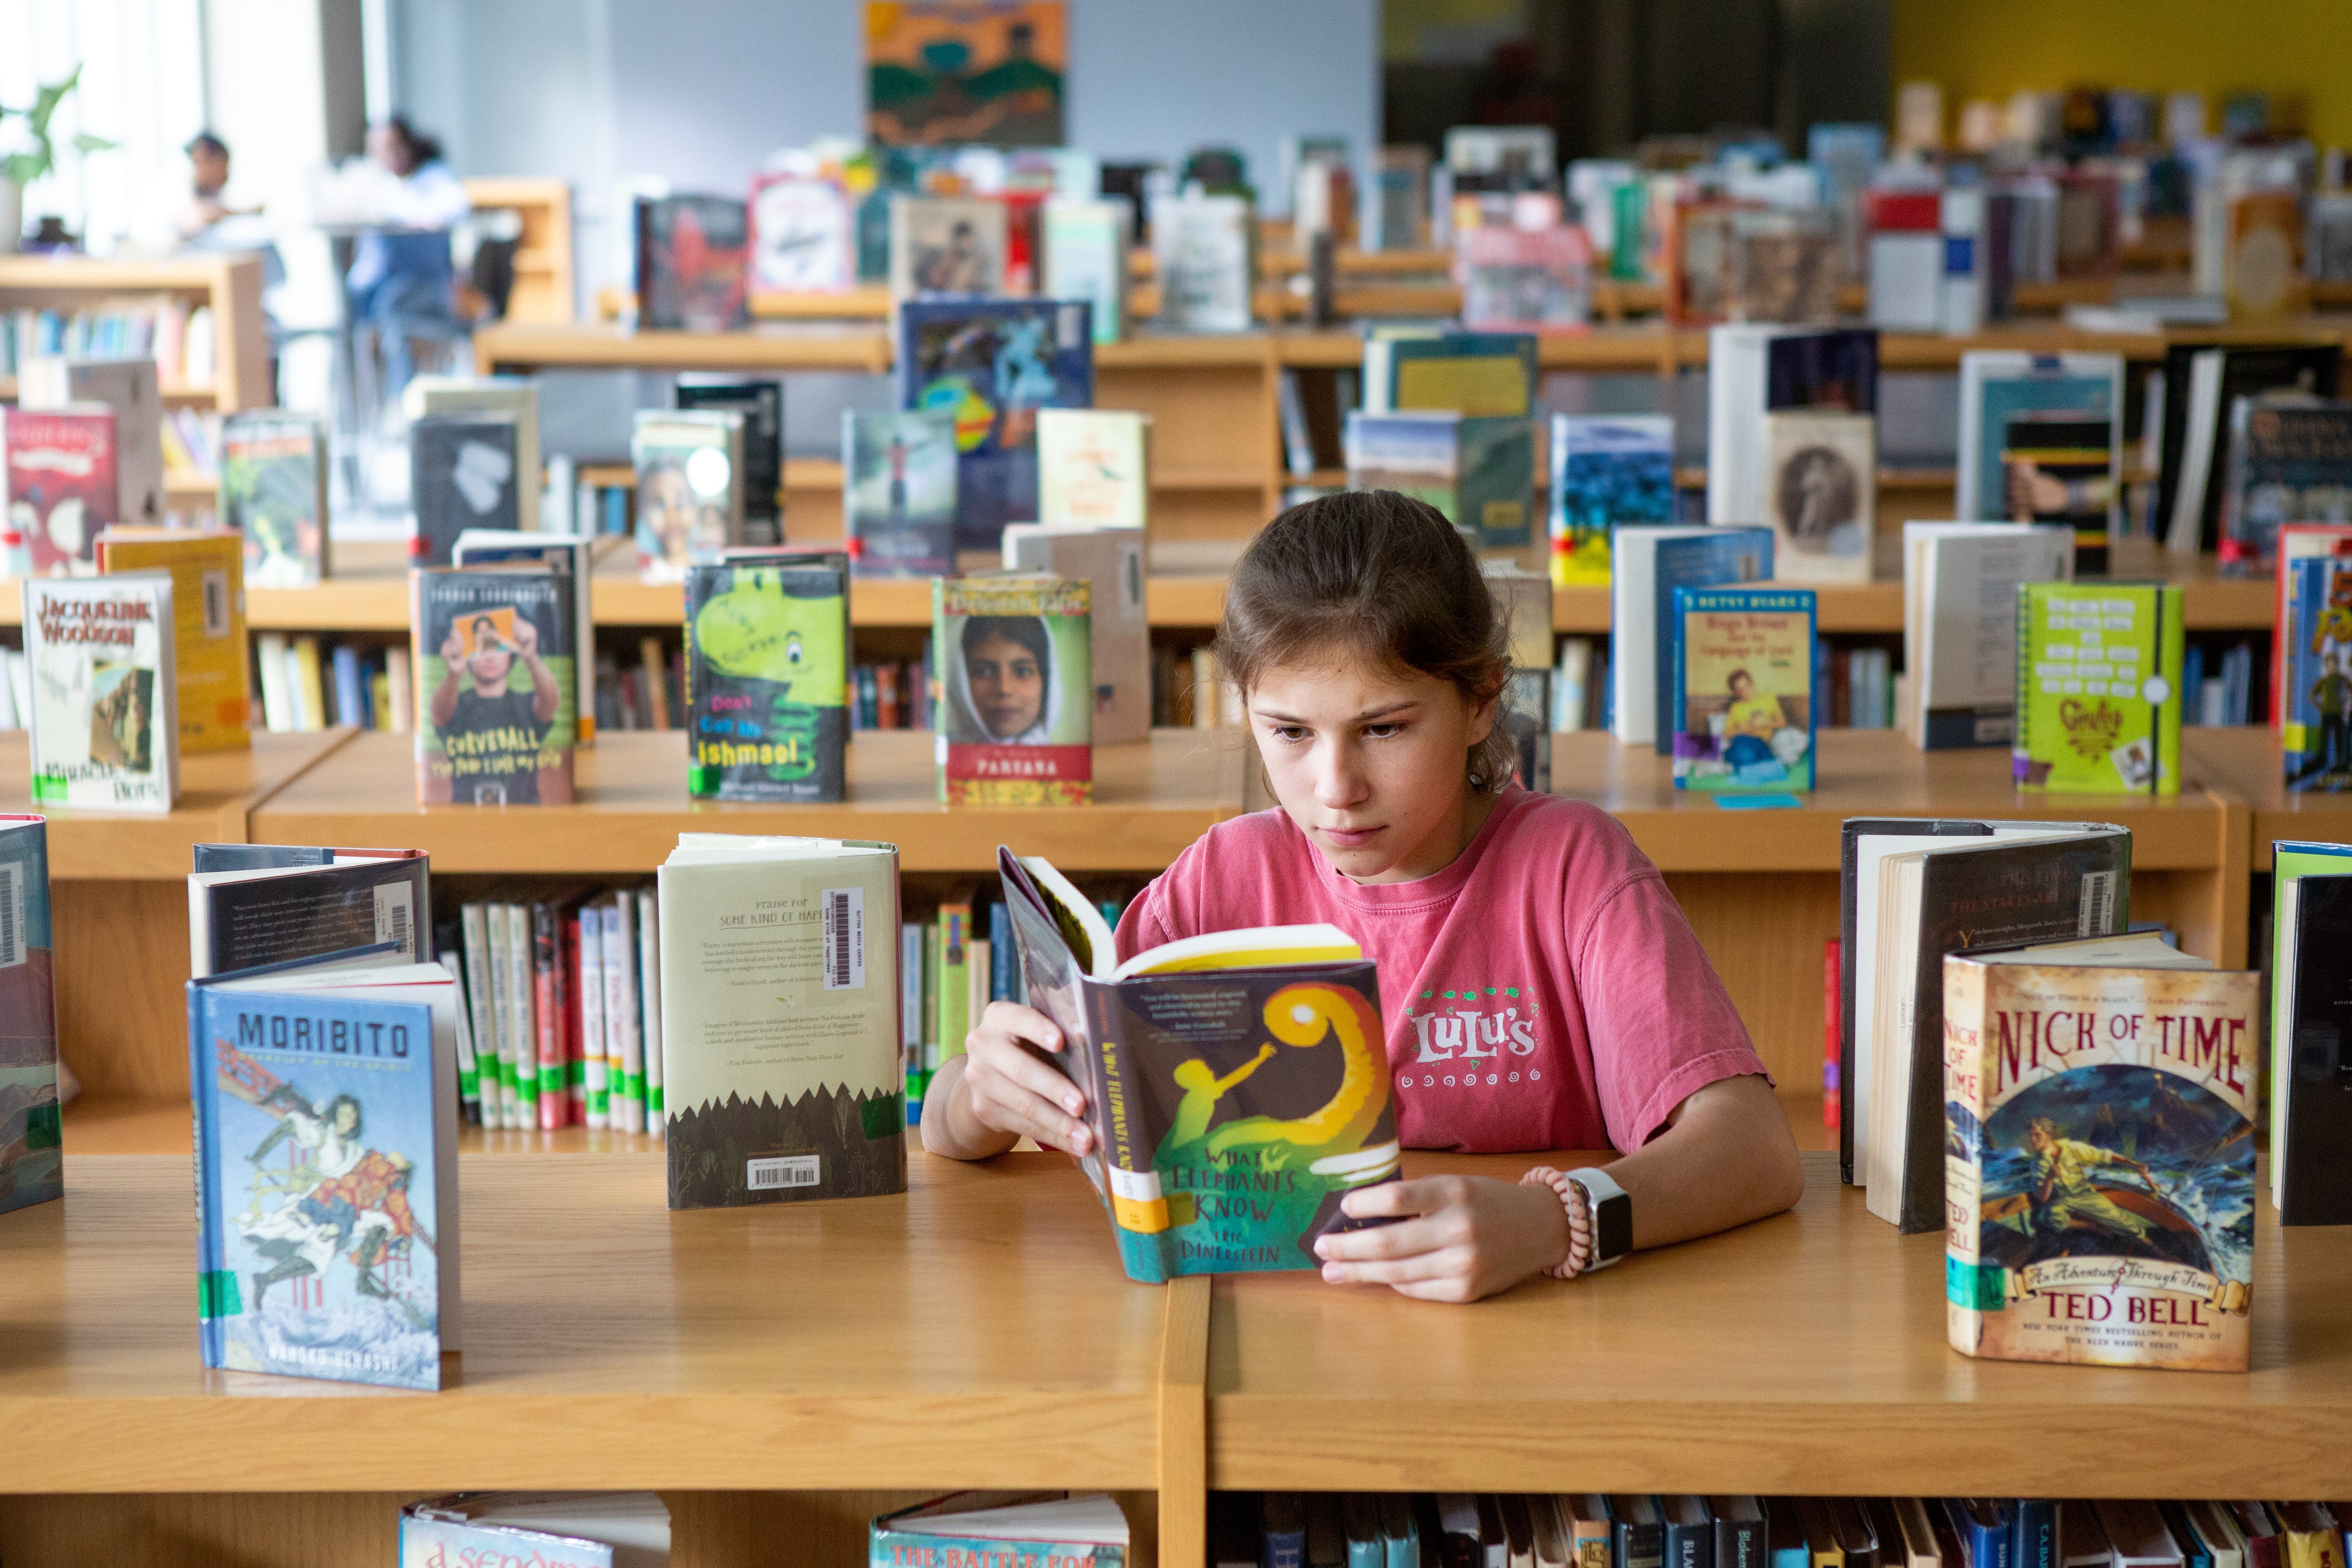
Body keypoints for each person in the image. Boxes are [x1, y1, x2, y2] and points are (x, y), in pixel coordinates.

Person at [924, 490, 1804, 1302]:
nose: (1334, 785)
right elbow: (944, 1124)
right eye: (1290, 733)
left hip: (1528, 1346)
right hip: (1264, 1347)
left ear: (1484, 702)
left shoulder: (1573, 868)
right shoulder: (1224, 877)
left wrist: (1553, 1220)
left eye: (1383, 729)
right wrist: (980, 1094)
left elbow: (1756, 1148)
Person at [347, 115, 470, 396]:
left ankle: (401, 401)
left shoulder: (434, 180)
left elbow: (455, 211)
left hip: (426, 284)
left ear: (408, 146)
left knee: (393, 309)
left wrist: (413, 217)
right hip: (372, 287)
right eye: (376, 150)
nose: (385, 157)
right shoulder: (376, 184)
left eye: (391, 147)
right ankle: (360, 409)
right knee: (352, 316)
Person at [431, 610, 560, 804]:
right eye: (482, 648)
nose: (490, 658)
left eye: (498, 648)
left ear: (510, 656)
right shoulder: (456, 705)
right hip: (467, 819)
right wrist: (454, 675)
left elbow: (550, 703)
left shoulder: (525, 704)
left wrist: (531, 658)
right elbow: (439, 714)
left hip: (524, 818)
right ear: (469, 656)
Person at [960, 615, 1053, 742]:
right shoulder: (946, 757)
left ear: (1046, 680)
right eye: (983, 672)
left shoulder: (1066, 760)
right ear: (959, 677)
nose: (1004, 689)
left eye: (1023, 671)